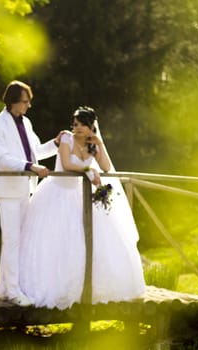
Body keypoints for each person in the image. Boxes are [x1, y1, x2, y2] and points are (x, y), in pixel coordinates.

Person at [19, 106, 146, 309]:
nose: (76, 128)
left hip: (80, 197)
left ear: (91, 127)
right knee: (56, 241)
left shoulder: (92, 144)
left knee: (86, 240)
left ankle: (87, 288)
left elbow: (105, 167)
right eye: (75, 124)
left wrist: (99, 144)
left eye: (82, 125)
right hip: (57, 194)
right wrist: (87, 168)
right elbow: (67, 163)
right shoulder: (66, 139)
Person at [0, 80, 61, 306]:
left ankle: (4, 288)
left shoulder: (27, 123)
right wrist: (30, 167)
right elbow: (2, 158)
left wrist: (56, 144)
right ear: (12, 101)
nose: (29, 105)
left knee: (17, 241)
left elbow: (37, 151)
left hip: (26, 189)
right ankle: (13, 291)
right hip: (7, 191)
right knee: (12, 241)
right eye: (25, 101)